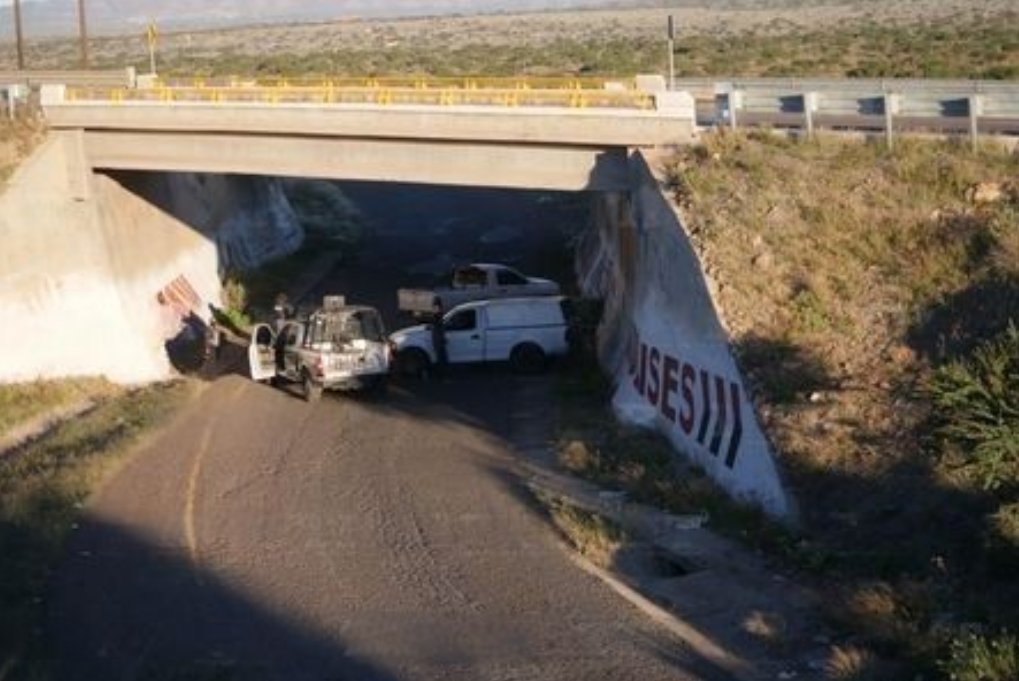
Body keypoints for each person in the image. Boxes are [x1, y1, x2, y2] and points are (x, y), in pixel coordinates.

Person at [429, 299, 447, 380]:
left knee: (440, 359)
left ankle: (440, 376)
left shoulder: (436, 315)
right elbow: (439, 328)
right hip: (439, 342)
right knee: (442, 359)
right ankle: (441, 377)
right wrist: (442, 339)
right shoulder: (437, 317)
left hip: (437, 341)